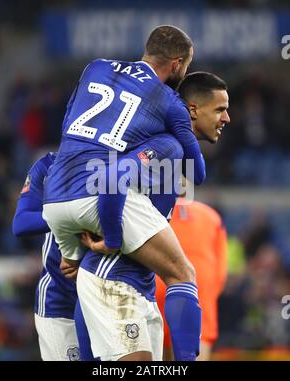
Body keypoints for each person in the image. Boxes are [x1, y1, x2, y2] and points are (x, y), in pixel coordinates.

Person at [43, 25, 205, 361]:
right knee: (182, 273)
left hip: (57, 195)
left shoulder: (95, 67)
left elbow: (69, 128)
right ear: (176, 65)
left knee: (81, 274)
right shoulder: (167, 101)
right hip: (99, 191)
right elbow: (197, 171)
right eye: (186, 67)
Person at [72, 71, 230, 361]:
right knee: (184, 274)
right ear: (193, 109)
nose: (227, 118)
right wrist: (112, 237)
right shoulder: (165, 144)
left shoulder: (170, 147)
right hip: (113, 280)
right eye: (220, 109)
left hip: (131, 284)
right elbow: (110, 179)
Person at [12, 152, 95, 361]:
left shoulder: (119, 163)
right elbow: (21, 223)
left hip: (105, 295)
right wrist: (71, 215)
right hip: (60, 298)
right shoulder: (48, 164)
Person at [156, 200, 228, 361]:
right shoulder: (212, 217)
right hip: (197, 297)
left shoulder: (152, 208)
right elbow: (220, 274)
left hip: (157, 291)